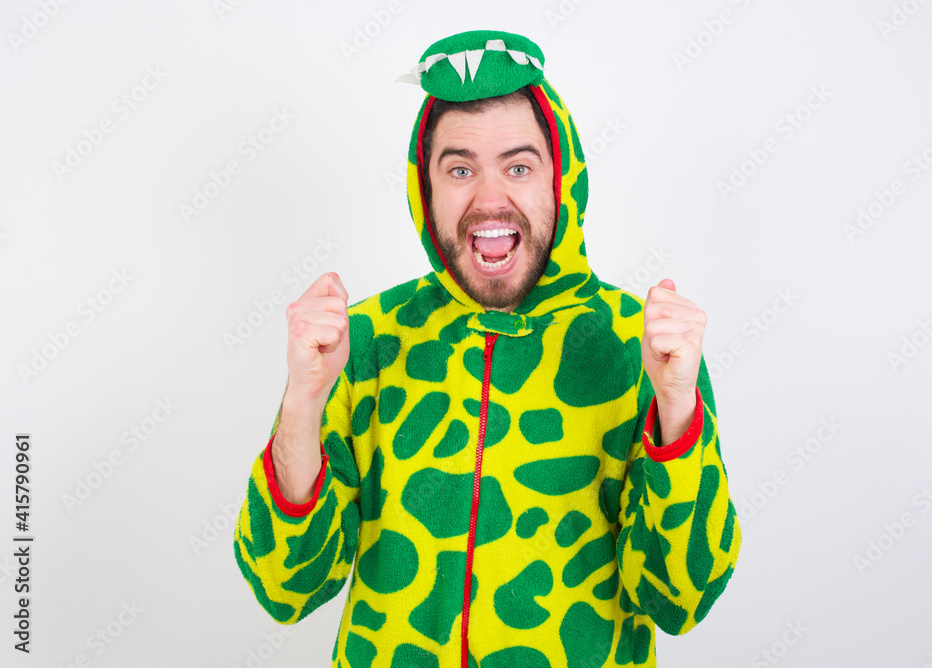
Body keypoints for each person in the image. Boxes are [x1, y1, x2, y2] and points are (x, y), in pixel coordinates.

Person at [233, 28, 741, 668]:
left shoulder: (641, 348)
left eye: (519, 166)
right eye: (461, 168)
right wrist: (304, 400)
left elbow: (679, 600)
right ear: (427, 188)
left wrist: (675, 412)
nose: (490, 198)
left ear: (561, 178)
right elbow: (287, 587)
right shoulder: (362, 342)